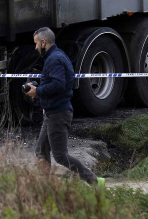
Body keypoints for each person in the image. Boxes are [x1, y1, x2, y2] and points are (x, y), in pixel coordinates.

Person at [26, 27, 104, 187]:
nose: (35, 47)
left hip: (59, 114)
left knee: (60, 156)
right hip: (52, 111)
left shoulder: (54, 59)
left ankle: (95, 181)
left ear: (43, 42)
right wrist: (45, 103)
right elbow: (57, 84)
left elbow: (59, 85)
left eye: (36, 44)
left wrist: (37, 91)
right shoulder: (55, 56)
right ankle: (44, 186)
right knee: (41, 150)